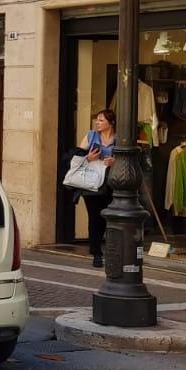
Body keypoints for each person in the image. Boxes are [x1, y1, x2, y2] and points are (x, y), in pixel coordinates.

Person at [78, 109, 117, 269]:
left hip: (112, 183)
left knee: (110, 218)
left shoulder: (119, 139)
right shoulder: (91, 136)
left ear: (111, 122)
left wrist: (115, 161)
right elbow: (76, 156)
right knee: (95, 217)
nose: (97, 123)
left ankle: (111, 249)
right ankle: (96, 253)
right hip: (92, 183)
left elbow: (129, 159)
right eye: (97, 120)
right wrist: (88, 157)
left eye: (101, 120)